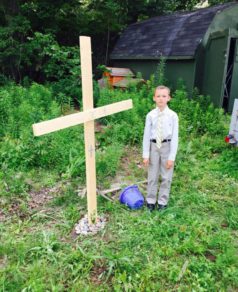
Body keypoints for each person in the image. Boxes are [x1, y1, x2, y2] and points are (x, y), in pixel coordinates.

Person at [142, 85, 178, 211]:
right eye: (158, 96)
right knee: (152, 175)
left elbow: (175, 137)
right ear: (154, 98)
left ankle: (162, 201)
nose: (161, 99)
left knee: (166, 176)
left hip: (167, 146)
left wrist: (171, 157)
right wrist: (146, 154)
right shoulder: (150, 115)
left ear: (169, 98)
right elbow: (146, 135)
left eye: (164, 96)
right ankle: (151, 201)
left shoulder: (173, 116)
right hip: (153, 146)